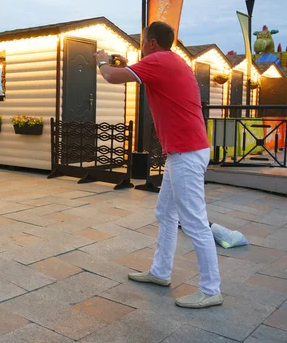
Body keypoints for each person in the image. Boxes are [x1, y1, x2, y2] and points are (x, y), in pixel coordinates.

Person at [94, 21, 222, 309]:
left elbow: (112, 77)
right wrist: (127, 65)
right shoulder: (169, 60)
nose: (141, 43)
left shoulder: (159, 61)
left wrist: (102, 60)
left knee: (195, 223)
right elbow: (135, 72)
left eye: (142, 39)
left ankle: (211, 289)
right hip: (184, 151)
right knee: (166, 213)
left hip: (187, 153)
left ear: (151, 42)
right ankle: (160, 273)